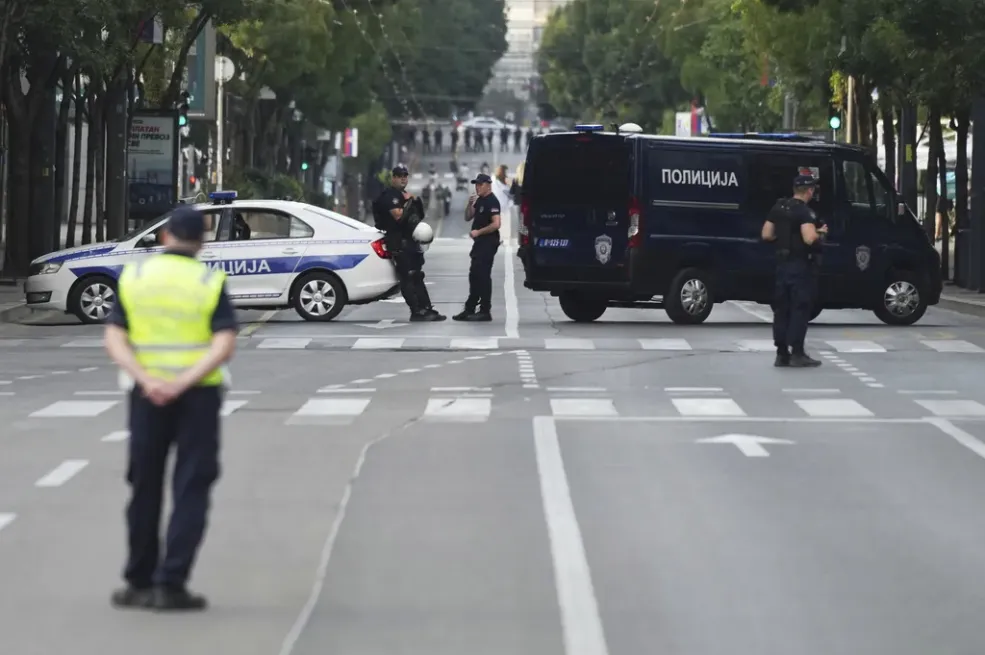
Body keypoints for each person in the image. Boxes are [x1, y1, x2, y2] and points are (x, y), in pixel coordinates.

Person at [104, 206, 238, 611]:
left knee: (144, 485)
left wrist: (147, 380)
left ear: (165, 237)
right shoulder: (209, 281)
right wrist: (183, 381)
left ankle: (139, 581)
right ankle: (171, 583)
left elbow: (114, 338)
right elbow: (224, 343)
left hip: (146, 396)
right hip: (198, 396)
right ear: (202, 242)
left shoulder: (135, 277)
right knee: (191, 486)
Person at [761, 174, 826, 367]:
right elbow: (809, 239)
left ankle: (781, 353)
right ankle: (797, 352)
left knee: (782, 309)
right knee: (800, 307)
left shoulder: (779, 207)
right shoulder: (804, 212)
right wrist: (820, 233)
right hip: (800, 266)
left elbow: (766, 234)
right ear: (809, 191)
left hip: (782, 265)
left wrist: (783, 241)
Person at [372, 164, 446, 322]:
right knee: (408, 277)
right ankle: (416, 311)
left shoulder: (404, 195)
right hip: (398, 242)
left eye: (405, 176)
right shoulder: (390, 196)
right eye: (399, 176)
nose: (403, 179)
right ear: (393, 178)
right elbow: (398, 216)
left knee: (417, 275)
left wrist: (414, 202)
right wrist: (408, 202)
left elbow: (417, 217)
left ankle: (426, 308)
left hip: (410, 241)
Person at [454, 173, 501, 322]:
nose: (477, 187)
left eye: (480, 184)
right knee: (474, 275)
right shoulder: (480, 200)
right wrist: (470, 204)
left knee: (483, 276)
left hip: (488, 242)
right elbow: (468, 217)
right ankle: (470, 309)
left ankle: (485, 310)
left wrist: (478, 232)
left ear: (488, 185)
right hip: (479, 243)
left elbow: (496, 224)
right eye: (476, 184)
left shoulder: (492, 201)